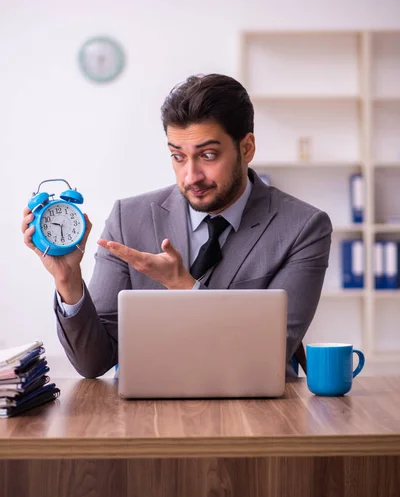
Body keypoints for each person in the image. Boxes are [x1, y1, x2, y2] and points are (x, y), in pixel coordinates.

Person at [22, 73, 332, 379]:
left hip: (255, 411)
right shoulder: (127, 219)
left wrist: (185, 287)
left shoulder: (303, 228)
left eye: (208, 155)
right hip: (148, 413)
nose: (190, 176)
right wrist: (67, 278)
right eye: (178, 156)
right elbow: (94, 363)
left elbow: (272, 350)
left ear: (247, 148)